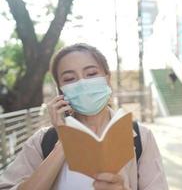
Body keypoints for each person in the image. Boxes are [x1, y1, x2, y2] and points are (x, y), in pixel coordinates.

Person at [0, 43, 168, 190]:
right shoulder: (42, 141)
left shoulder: (141, 137)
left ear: (107, 79)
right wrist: (64, 141)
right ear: (61, 91)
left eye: (91, 74)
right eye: (70, 78)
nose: (82, 83)